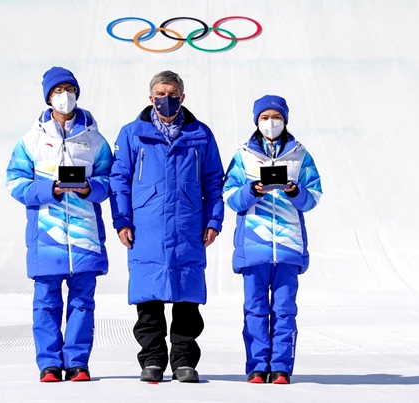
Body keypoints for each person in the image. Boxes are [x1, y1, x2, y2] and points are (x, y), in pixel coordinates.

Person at [109, 70, 224, 383]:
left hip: (188, 226)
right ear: (151, 98)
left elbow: (214, 180)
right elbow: (119, 180)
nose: (166, 99)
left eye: (173, 94)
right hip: (146, 228)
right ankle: (152, 360)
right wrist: (122, 220)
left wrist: (213, 219)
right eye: (160, 94)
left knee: (187, 298)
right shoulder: (132, 134)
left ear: (182, 97)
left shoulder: (200, 134)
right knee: (149, 298)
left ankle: (184, 361)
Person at [5, 67, 113, 383]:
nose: (64, 95)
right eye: (57, 90)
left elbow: (111, 181)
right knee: (46, 304)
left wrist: (89, 188)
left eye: (69, 89)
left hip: (85, 237)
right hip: (46, 238)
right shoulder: (31, 140)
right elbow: (14, 182)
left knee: (82, 305)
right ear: (48, 97)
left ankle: (78, 363)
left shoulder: (95, 140)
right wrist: (48, 190)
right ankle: (49, 364)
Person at [222, 95, 322, 384]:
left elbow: (313, 197)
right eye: (264, 117)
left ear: (285, 120)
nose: (270, 122)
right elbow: (230, 196)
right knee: (255, 310)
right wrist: (252, 190)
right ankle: (257, 366)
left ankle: (280, 367)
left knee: (284, 310)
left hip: (288, 246)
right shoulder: (243, 155)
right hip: (254, 246)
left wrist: (295, 191)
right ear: (256, 121)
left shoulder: (300, 155)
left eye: (276, 117)